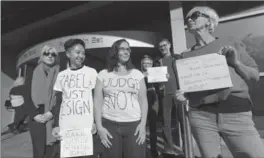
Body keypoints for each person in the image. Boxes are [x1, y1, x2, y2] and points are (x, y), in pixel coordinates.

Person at [174, 6, 264, 158]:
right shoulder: (185, 56)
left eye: (195, 15)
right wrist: (183, 96)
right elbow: (187, 91)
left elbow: (254, 76)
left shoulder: (231, 43)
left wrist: (235, 63)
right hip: (201, 116)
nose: (189, 19)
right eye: (187, 17)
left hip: (235, 112)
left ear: (209, 21)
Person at [94, 39, 148, 158]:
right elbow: (97, 101)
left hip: (134, 125)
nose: (127, 52)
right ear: (115, 52)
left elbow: (143, 100)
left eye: (128, 49)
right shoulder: (103, 74)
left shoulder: (137, 74)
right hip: (109, 125)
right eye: (123, 49)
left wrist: (143, 124)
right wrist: (99, 127)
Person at [50, 38, 98, 158]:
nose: (81, 56)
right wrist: (55, 125)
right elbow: (58, 103)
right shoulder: (61, 76)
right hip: (67, 131)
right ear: (68, 54)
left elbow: (97, 100)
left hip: (87, 130)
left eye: (83, 53)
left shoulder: (92, 72)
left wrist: (96, 122)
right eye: (77, 52)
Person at [30, 45, 60, 158]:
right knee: (39, 153)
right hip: (37, 118)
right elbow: (26, 96)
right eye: (46, 53)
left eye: (53, 54)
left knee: (52, 152)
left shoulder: (60, 74)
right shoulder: (34, 72)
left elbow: (62, 97)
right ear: (42, 56)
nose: (50, 56)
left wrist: (52, 112)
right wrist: (34, 115)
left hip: (53, 117)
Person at [157, 38, 182, 156]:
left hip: (178, 93)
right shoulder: (159, 62)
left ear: (169, 45)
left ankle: (185, 146)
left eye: (164, 45)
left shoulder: (177, 58)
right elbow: (155, 80)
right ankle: (169, 149)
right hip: (165, 94)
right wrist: (160, 83)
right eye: (160, 46)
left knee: (181, 121)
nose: (163, 48)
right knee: (166, 122)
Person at [141, 55, 160, 158]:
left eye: (148, 63)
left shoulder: (156, 74)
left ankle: (154, 149)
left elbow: (160, 87)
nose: (146, 65)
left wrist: (164, 78)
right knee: (142, 126)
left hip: (153, 100)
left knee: (153, 127)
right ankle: (142, 149)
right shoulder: (138, 74)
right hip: (142, 101)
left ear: (151, 64)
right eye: (145, 63)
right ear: (142, 64)